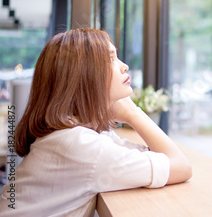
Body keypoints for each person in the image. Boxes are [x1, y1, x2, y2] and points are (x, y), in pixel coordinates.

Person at [0, 28, 192, 216]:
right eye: (110, 59)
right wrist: (133, 113)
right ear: (83, 75)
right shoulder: (81, 145)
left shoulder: (78, 135)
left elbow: (158, 156)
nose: (124, 66)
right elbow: (181, 166)